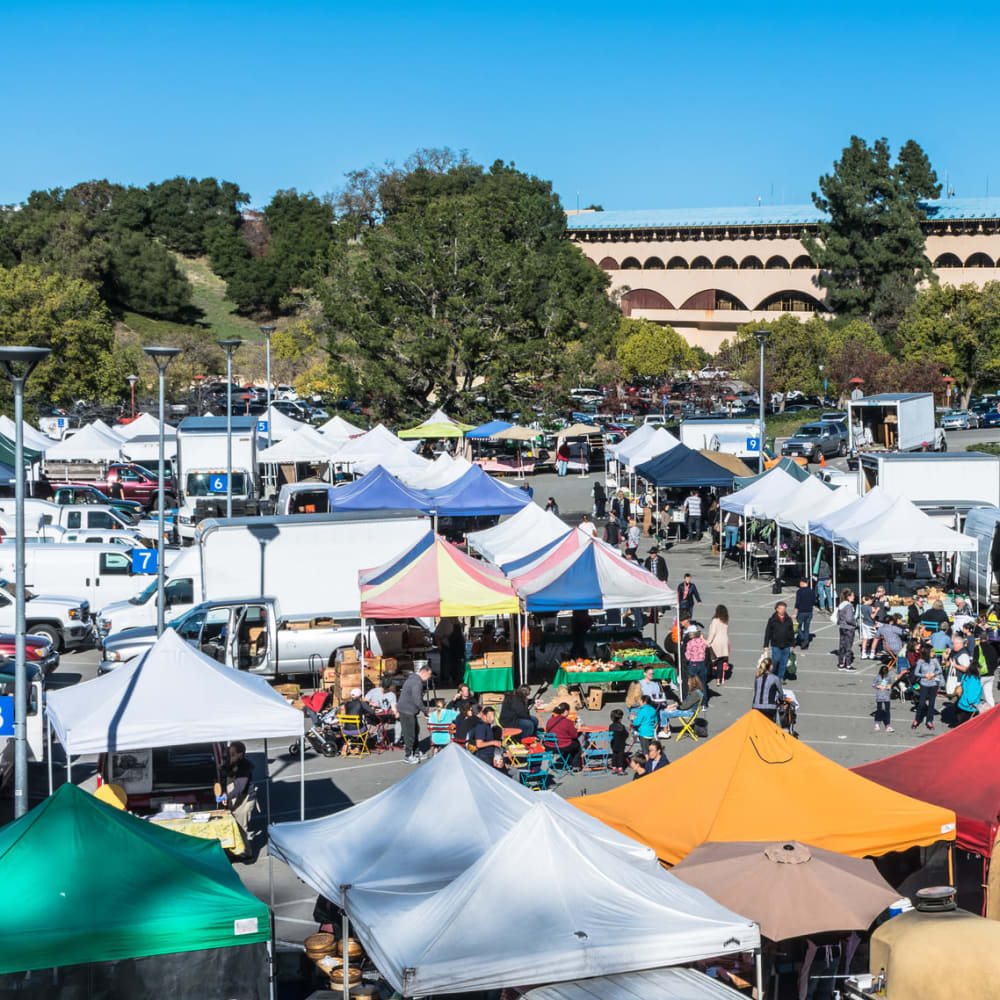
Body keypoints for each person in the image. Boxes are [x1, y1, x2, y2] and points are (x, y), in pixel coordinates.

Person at [218, 741, 255, 855]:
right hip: (235, 799)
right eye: (229, 754)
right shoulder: (230, 764)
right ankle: (236, 851)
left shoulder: (244, 767)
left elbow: (240, 788)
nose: (230, 756)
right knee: (233, 826)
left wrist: (226, 796)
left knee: (241, 828)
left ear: (240, 754)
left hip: (244, 800)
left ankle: (246, 853)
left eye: (233, 754)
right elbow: (224, 778)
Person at [398, 663, 432, 763]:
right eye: (429, 675)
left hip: (408, 709)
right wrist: (426, 712)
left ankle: (416, 752)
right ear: (424, 673)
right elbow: (417, 700)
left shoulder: (413, 678)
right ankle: (408, 756)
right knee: (410, 733)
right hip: (407, 710)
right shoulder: (417, 682)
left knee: (415, 730)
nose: (429, 678)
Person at [913, 642, 943, 730]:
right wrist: (925, 675)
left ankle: (929, 721)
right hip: (924, 684)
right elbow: (916, 673)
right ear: (927, 652)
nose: (934, 653)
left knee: (931, 704)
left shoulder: (935, 660)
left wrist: (933, 674)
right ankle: (916, 720)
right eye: (932, 651)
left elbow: (940, 670)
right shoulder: (920, 661)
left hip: (933, 684)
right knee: (921, 704)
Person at [763, 601, 796, 680]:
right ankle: (773, 675)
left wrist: (793, 644)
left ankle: (780, 678)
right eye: (781, 609)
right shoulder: (772, 620)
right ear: (777, 609)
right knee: (776, 661)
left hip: (786, 644)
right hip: (776, 644)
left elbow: (791, 632)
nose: (782, 610)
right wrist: (766, 645)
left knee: (783, 663)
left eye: (784, 609)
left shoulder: (788, 619)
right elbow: (768, 632)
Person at [545, 703, 581, 768]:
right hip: (561, 746)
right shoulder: (568, 722)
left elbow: (547, 731)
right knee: (576, 744)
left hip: (549, 746)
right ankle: (576, 765)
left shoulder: (550, 720)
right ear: (566, 711)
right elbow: (574, 735)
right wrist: (576, 728)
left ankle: (567, 761)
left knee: (568, 743)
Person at [751, 657, 784, 723]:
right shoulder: (775, 678)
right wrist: (781, 701)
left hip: (756, 706)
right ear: (771, 666)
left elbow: (756, 690)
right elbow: (781, 693)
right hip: (769, 707)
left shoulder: (757, 677)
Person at [706, 604, 730, 685]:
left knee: (710, 660)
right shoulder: (725, 621)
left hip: (716, 643)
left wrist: (708, 642)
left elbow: (713, 633)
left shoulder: (715, 620)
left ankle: (709, 675)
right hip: (724, 642)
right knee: (720, 662)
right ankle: (718, 680)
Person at [955, 658, 984, 724]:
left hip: (961, 704)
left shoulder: (965, 676)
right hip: (970, 708)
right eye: (980, 668)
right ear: (977, 669)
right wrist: (976, 704)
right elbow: (971, 697)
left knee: (961, 726)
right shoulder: (975, 681)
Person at [836, 589, 858, 671]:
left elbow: (839, 617)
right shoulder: (849, 606)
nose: (854, 597)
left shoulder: (841, 605)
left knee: (842, 645)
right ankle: (848, 664)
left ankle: (841, 663)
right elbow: (849, 619)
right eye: (852, 596)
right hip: (849, 628)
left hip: (842, 627)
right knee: (848, 646)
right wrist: (855, 624)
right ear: (848, 597)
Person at [685, 626, 708, 700]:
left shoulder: (690, 643)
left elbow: (687, 657)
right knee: (703, 683)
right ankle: (704, 702)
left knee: (692, 683)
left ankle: (692, 700)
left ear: (692, 634)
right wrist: (702, 637)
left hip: (693, 664)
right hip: (702, 663)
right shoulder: (703, 641)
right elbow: (708, 644)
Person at [793, 578, 816, 649]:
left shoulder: (799, 592)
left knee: (797, 626)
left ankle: (802, 638)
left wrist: (794, 613)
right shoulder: (812, 591)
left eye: (800, 582)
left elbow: (797, 603)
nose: (799, 584)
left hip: (801, 612)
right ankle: (806, 641)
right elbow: (814, 602)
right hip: (809, 612)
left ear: (803, 583)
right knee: (807, 627)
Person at [873, 664, 895, 732]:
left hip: (886, 696)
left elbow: (890, 684)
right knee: (879, 710)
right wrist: (879, 686)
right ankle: (877, 723)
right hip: (879, 695)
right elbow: (873, 684)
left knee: (887, 711)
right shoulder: (877, 677)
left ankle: (888, 725)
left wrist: (889, 686)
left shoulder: (888, 677)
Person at [859, 594, 879, 660]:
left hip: (864, 623)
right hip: (870, 625)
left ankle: (863, 653)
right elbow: (872, 616)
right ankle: (872, 654)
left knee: (865, 638)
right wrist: (876, 611)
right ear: (869, 600)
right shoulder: (869, 607)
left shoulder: (862, 606)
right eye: (871, 600)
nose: (872, 602)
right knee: (875, 639)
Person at [609, 708, 628, 774]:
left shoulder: (611, 726)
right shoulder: (622, 727)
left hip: (613, 743)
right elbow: (626, 734)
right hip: (621, 743)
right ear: (620, 718)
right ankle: (620, 768)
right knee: (620, 755)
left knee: (614, 755)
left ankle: (614, 767)